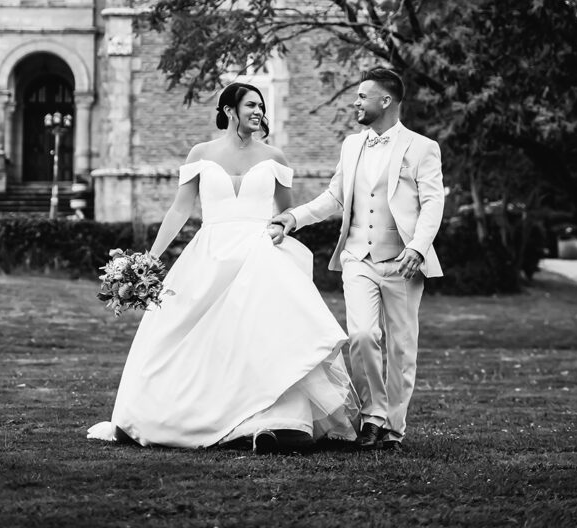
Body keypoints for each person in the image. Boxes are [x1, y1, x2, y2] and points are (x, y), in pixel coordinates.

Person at [88, 82, 358, 453]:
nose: (258, 111)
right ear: (230, 110)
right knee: (186, 335)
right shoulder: (201, 153)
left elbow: (285, 213)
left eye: (261, 105)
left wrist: (281, 229)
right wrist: (151, 257)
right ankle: (174, 414)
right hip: (209, 254)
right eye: (250, 104)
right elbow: (180, 209)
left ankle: (273, 422)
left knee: (261, 336)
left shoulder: (275, 157)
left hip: (259, 256)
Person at [270, 67, 445, 451]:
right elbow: (334, 198)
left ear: (385, 101)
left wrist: (417, 247)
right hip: (357, 258)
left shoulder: (421, 148)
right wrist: (293, 217)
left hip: (403, 260)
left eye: (362, 96)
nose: (355, 102)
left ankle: (393, 428)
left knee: (401, 346)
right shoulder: (352, 146)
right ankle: (372, 416)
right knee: (362, 335)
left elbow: (433, 203)